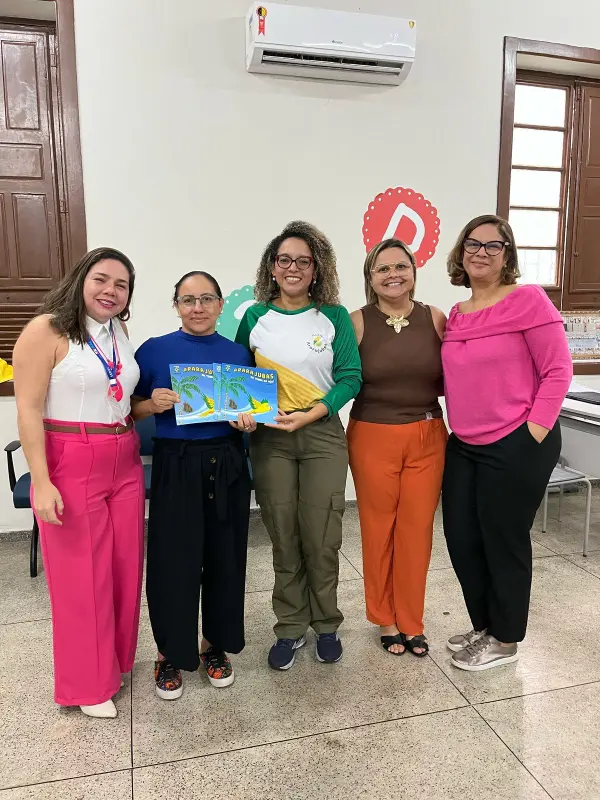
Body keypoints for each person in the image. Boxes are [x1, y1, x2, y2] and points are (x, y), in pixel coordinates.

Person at [12, 247, 144, 719]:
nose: (111, 291)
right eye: (101, 279)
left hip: (124, 454)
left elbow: (119, 395)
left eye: (122, 285)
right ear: (80, 280)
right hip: (72, 456)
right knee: (80, 577)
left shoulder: (118, 333)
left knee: (125, 567)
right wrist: (41, 481)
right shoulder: (45, 330)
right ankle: (86, 685)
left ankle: (115, 661)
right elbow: (28, 410)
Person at [442, 214, 572, 671]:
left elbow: (558, 370)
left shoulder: (528, 300)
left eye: (492, 245)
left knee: (503, 540)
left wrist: (532, 431)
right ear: (461, 252)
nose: (481, 252)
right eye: (472, 244)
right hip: (464, 444)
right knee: (462, 538)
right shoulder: (457, 313)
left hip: (517, 441)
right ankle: (485, 625)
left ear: (507, 254)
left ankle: (506, 638)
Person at [236, 220, 362, 670]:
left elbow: (351, 377)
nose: (293, 268)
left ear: (316, 269)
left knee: (322, 535)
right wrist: (242, 413)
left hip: (322, 433)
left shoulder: (334, 317)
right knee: (284, 534)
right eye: (284, 259)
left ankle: (326, 624)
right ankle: (290, 628)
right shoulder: (254, 318)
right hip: (270, 439)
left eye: (303, 261)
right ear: (272, 267)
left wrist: (313, 412)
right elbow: (239, 379)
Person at [132, 271, 255, 700]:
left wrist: (249, 423)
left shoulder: (238, 353)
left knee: (225, 558)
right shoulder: (153, 350)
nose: (197, 307)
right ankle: (169, 651)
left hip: (228, 461)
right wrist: (151, 404)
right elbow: (128, 407)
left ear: (220, 305)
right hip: (176, 462)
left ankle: (213, 645)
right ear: (176, 306)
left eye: (206, 299)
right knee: (173, 561)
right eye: (188, 300)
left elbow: (252, 409)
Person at [347, 238, 447, 657]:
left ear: (413, 271)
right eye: (382, 268)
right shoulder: (356, 321)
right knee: (378, 528)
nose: (393, 275)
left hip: (428, 434)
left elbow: (459, 373)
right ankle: (385, 618)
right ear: (370, 277)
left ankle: (411, 620)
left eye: (400, 266)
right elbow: (338, 377)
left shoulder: (435, 317)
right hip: (372, 434)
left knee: (417, 531)